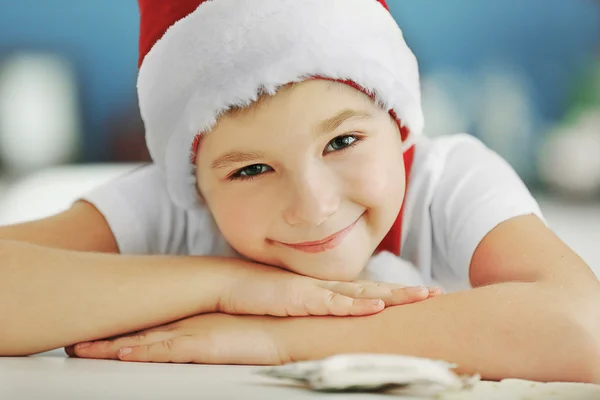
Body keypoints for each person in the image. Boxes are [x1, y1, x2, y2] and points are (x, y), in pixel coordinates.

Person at [1, 0, 599, 383]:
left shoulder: (449, 181)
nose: (314, 206)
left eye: (341, 142)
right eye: (250, 170)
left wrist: (278, 337)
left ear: (397, 120)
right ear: (194, 181)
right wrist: (233, 286)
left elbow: (583, 326)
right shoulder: (172, 207)